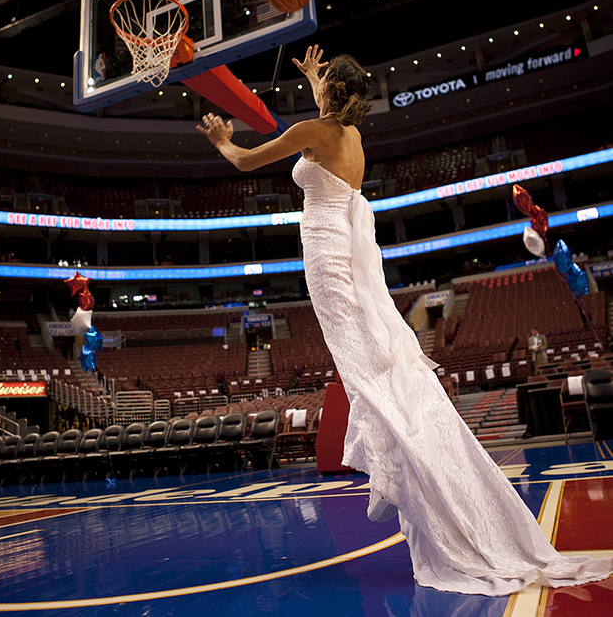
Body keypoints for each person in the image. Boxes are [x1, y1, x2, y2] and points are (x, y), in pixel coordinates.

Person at [196, 45, 613, 596]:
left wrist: (223, 140)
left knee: (373, 385)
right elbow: (332, 113)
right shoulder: (351, 137)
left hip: (327, 261)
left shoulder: (312, 131)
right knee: (379, 378)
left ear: (329, 97)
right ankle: (417, 476)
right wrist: (321, 77)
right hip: (340, 253)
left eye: (322, 87)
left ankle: (411, 476)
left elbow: (248, 161)